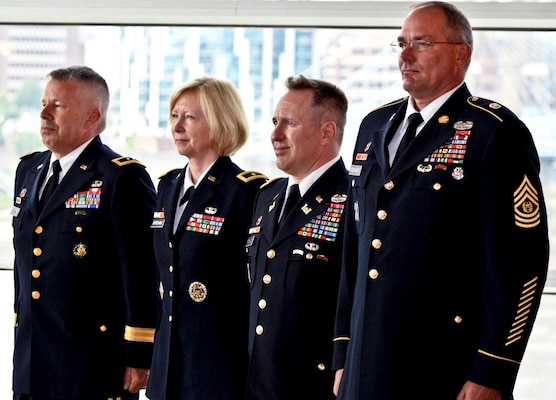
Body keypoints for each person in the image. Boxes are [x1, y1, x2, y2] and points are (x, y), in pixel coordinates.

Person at [332, 2, 549, 400]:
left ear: (461, 53)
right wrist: (343, 350)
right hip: (365, 366)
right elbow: (354, 249)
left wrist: (492, 369)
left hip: (446, 367)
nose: (405, 55)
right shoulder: (372, 126)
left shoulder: (493, 132)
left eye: (422, 43)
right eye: (401, 43)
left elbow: (522, 263)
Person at [11, 65, 158, 400]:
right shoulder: (29, 170)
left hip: (90, 363)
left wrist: (138, 355)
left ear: (92, 117)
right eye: (44, 103)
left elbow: (141, 274)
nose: (44, 113)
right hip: (31, 360)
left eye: (57, 106)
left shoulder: (121, 178)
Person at [146, 76, 267, 400]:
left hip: (218, 366)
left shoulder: (246, 191)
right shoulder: (167, 187)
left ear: (219, 122)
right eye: (174, 116)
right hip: (168, 365)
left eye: (190, 117)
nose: (177, 126)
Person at [245, 75, 349, 400]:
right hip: (257, 383)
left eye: (289, 123)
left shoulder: (353, 201)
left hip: (314, 386)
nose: (275, 134)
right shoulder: (267, 197)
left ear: (327, 132)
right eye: (275, 122)